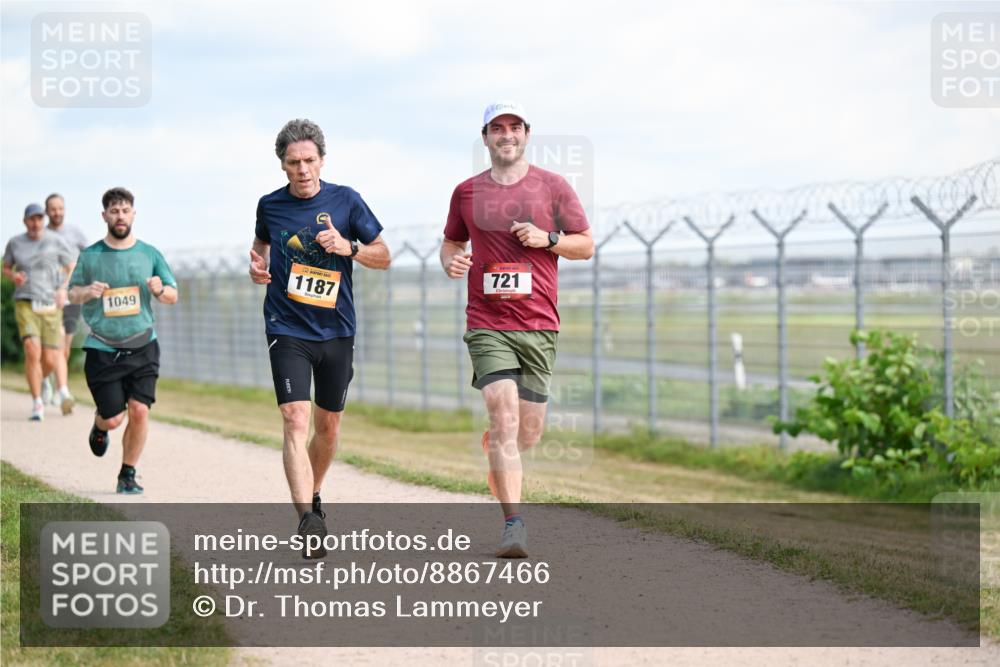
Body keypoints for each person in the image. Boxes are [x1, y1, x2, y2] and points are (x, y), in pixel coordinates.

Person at [440, 102, 594, 558]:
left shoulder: (553, 186)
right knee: (502, 415)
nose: (506, 134)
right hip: (487, 322)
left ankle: (500, 447)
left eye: (514, 127)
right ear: (485, 137)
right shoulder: (466, 192)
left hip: (538, 323)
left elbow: (585, 245)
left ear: (526, 134)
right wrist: (452, 262)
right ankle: (513, 526)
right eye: (497, 128)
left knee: (527, 433)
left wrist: (549, 239)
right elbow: (451, 242)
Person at [250, 118, 391, 558]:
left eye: (309, 160)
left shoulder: (346, 200)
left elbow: (384, 256)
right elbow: (260, 247)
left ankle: (313, 495)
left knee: (328, 426)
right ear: (282, 165)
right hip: (286, 327)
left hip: (336, 330)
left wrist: (350, 247)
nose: (302, 169)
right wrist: (257, 267)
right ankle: (307, 521)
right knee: (295, 418)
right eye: (294, 162)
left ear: (322, 160)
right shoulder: (269, 206)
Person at [67, 187, 178, 494]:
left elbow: (172, 294)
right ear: (104, 216)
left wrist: (159, 290)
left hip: (143, 345)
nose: (120, 216)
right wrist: (86, 291)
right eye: (114, 211)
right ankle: (100, 425)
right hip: (103, 348)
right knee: (114, 418)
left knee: (140, 410)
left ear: (133, 214)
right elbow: (71, 293)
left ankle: (127, 474)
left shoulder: (149, 254)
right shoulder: (91, 256)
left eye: (125, 210)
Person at [2, 203, 76, 420]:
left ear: (43, 220)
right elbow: (6, 267)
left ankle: (44, 382)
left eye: (39, 218)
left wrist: (63, 289)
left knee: (51, 358)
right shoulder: (15, 242)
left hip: (50, 302)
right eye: (32, 219)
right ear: (25, 221)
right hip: (26, 302)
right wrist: (13, 276)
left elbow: (71, 266)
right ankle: (37, 404)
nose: (36, 223)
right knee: (31, 348)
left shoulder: (56, 241)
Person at [42, 193, 92, 404]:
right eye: (53, 209)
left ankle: (57, 386)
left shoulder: (74, 232)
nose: (57, 212)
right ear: (47, 211)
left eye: (60, 208)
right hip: (47, 297)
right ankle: (49, 381)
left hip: (72, 296)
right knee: (52, 344)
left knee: (65, 346)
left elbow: (89, 254)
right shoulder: (41, 234)